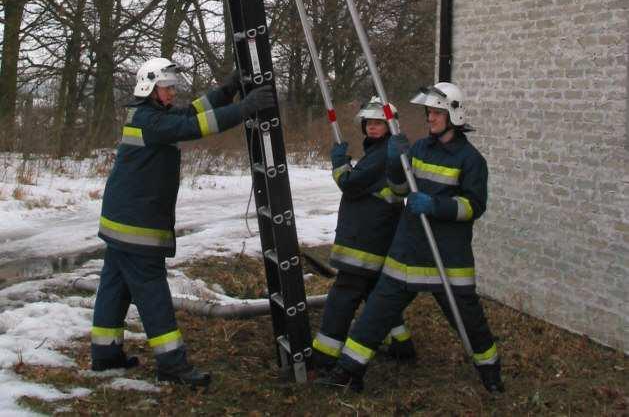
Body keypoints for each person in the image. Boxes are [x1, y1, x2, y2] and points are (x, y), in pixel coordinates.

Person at [90, 57, 272, 387]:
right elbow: (194, 126)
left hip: (122, 221)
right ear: (149, 88)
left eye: (173, 88)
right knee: (153, 294)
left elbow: (191, 114)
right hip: (137, 226)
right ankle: (172, 365)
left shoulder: (151, 116)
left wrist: (227, 90)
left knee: (114, 289)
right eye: (167, 88)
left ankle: (105, 355)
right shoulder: (150, 120)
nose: (172, 93)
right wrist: (245, 108)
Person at [317, 83, 504, 394]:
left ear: (454, 115)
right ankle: (348, 371)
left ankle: (490, 372)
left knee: (469, 321)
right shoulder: (418, 149)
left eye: (436, 113)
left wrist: (437, 206)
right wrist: (394, 163)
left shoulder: (471, 160)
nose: (429, 118)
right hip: (406, 252)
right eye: (428, 112)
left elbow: (475, 206)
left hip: (447, 258)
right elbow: (400, 190)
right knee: (375, 315)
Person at [311, 97, 415, 373]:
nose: (372, 127)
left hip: (365, 242)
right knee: (375, 294)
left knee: (342, 298)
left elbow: (350, 183)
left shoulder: (381, 156)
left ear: (390, 125)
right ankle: (401, 343)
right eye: (368, 122)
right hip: (375, 238)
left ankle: (324, 355)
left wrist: (338, 162)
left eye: (379, 123)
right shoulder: (384, 152)